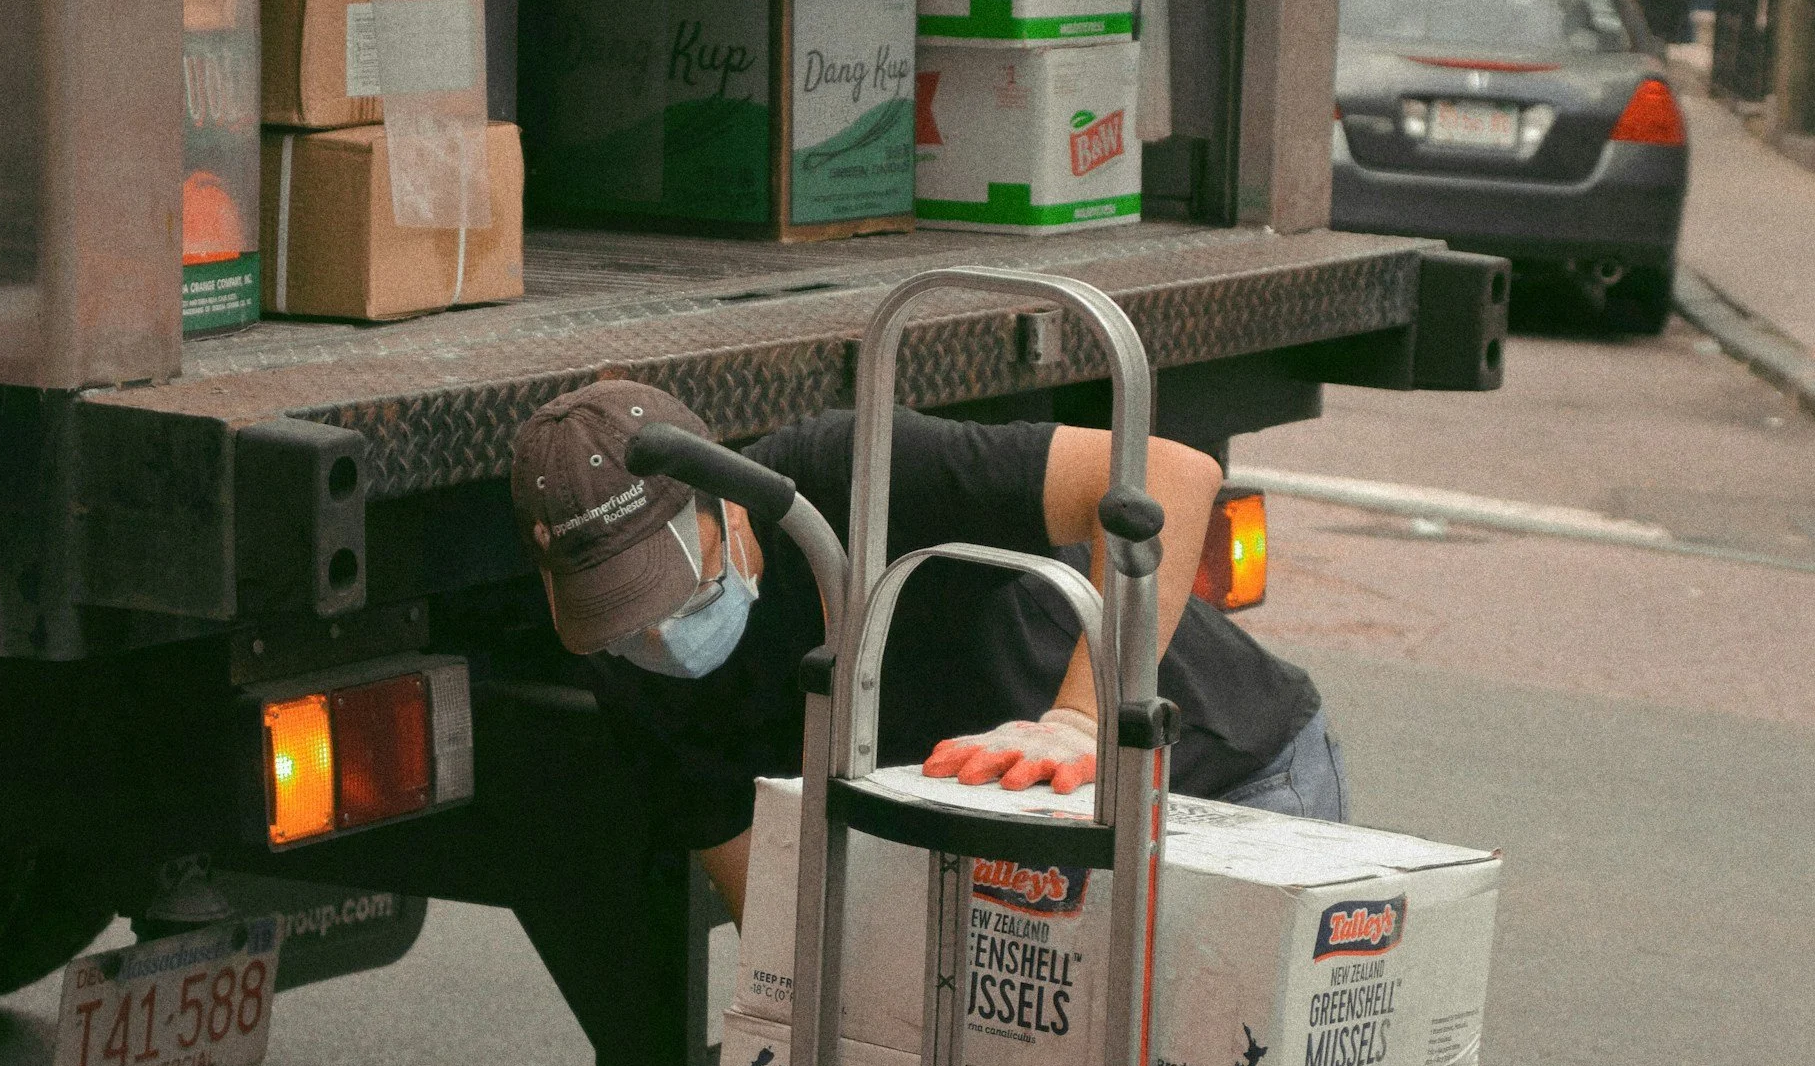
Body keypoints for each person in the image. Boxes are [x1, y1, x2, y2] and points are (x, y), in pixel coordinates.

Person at [510, 380, 1348, 920]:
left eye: (675, 589)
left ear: (726, 501)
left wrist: (1083, 716)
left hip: (1219, 773)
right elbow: (781, 924)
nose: (657, 635)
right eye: (623, 620)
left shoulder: (849, 473)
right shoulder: (627, 668)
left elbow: (1171, 474)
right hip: (1023, 842)